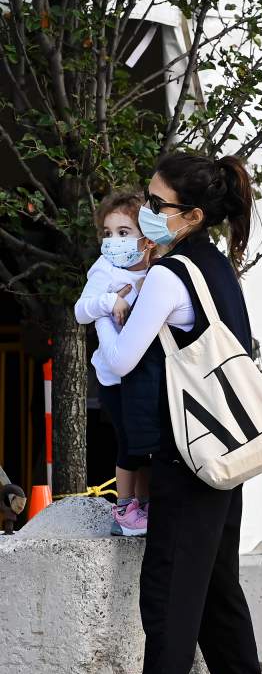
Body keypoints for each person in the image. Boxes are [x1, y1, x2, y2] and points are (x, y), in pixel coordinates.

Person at [84, 153, 262, 674]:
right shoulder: (216, 267)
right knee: (217, 582)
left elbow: (119, 361)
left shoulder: (169, 276)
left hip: (183, 450)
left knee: (168, 580)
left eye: (157, 204)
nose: (145, 212)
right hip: (223, 445)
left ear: (190, 216)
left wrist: (108, 322)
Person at [74, 191, 155, 537]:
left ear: (147, 238)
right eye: (108, 233)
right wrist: (110, 301)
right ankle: (124, 509)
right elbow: (81, 310)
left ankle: (144, 505)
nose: (113, 241)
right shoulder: (104, 271)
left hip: (144, 377)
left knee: (146, 445)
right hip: (113, 379)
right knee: (129, 442)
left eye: (124, 232)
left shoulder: (156, 272)